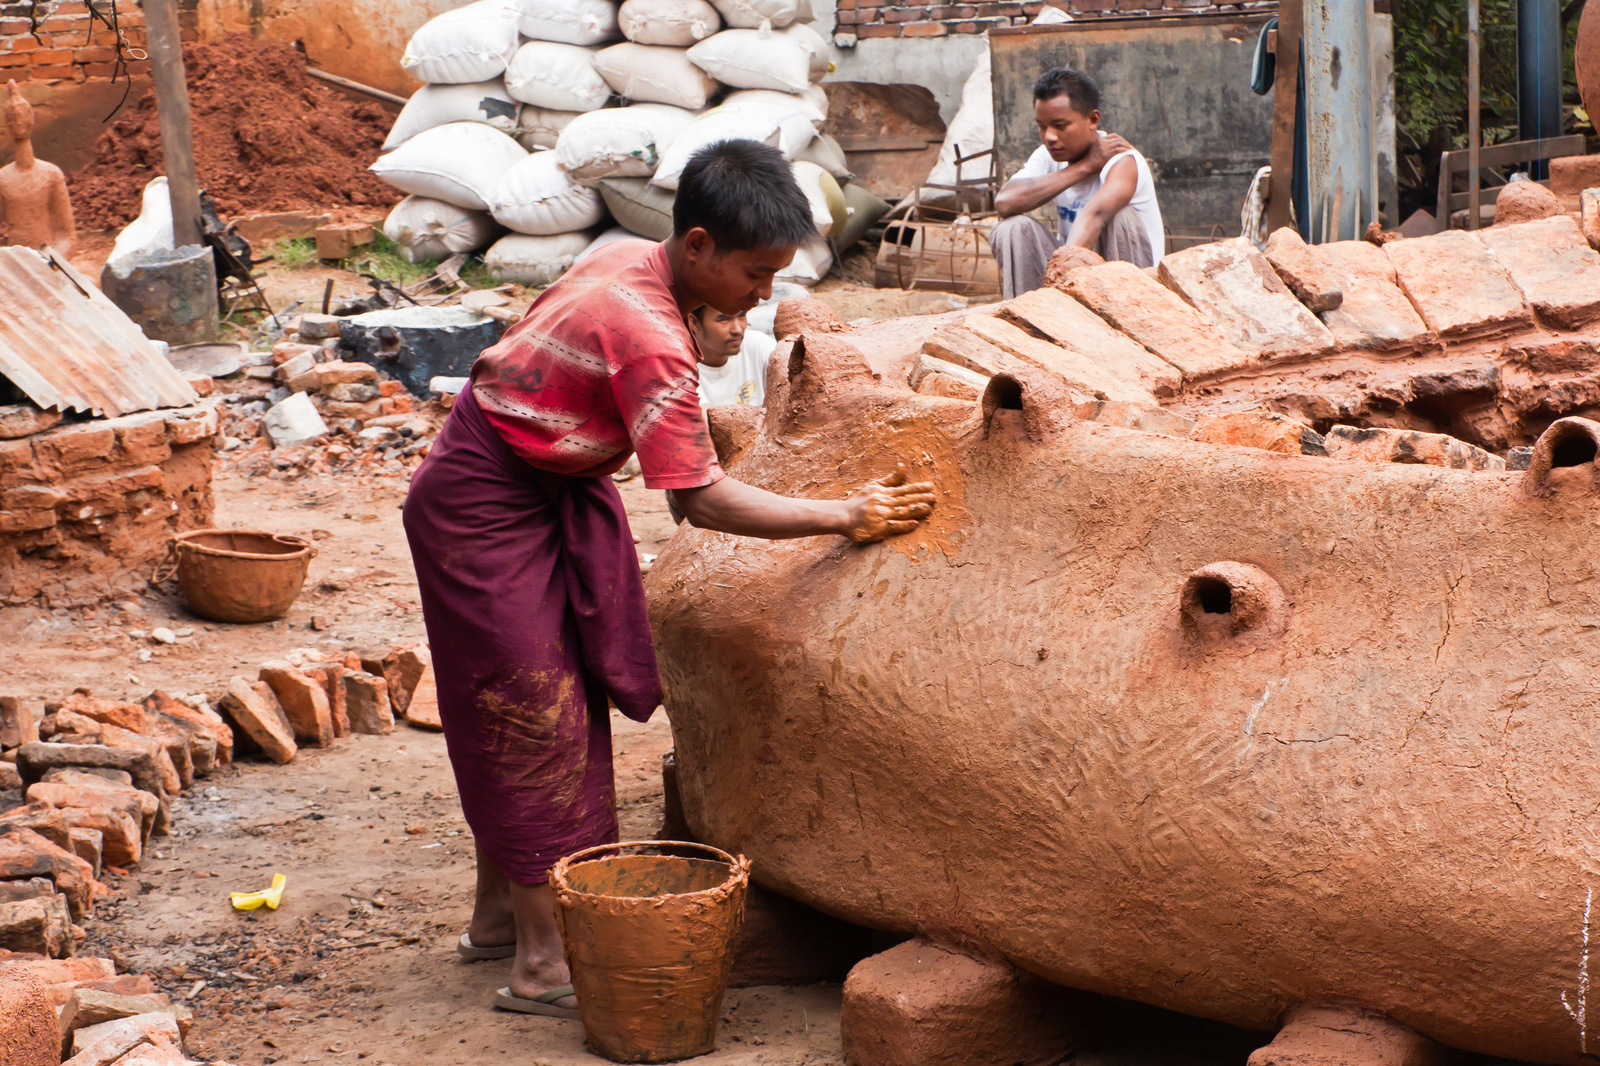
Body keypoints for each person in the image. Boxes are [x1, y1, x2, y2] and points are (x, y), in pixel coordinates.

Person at [401, 138, 936, 1020]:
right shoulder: (651, 335)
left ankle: (500, 916)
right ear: (695, 248)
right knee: (535, 715)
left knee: (539, 703)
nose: (764, 296)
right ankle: (542, 965)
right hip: (485, 506)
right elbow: (701, 503)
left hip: (537, 484)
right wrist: (846, 514)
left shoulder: (623, 257)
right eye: (755, 274)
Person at [990, 67, 1164, 298]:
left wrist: (1062, 279)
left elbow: (1096, 214)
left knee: (1120, 216)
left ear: (1093, 119)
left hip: (1123, 286)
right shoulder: (1047, 156)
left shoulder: (1122, 159)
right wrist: (1084, 167)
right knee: (1011, 228)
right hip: (1069, 273)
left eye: (1060, 126)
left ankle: (1125, 322)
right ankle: (1029, 321)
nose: (1049, 136)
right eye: (1042, 126)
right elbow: (1005, 202)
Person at [0, 80, 75, 255]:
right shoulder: (3, 178)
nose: (18, 121)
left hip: (47, 260)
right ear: (7, 124)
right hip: (17, 263)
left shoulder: (51, 174)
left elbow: (67, 235)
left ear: (31, 119)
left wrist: (53, 261)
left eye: (22, 115)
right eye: (12, 117)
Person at [687, 304, 775, 409]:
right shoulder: (679, 369)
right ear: (694, 323)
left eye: (742, 316)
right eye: (724, 319)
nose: (737, 329)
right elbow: (703, 419)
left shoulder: (759, 344)